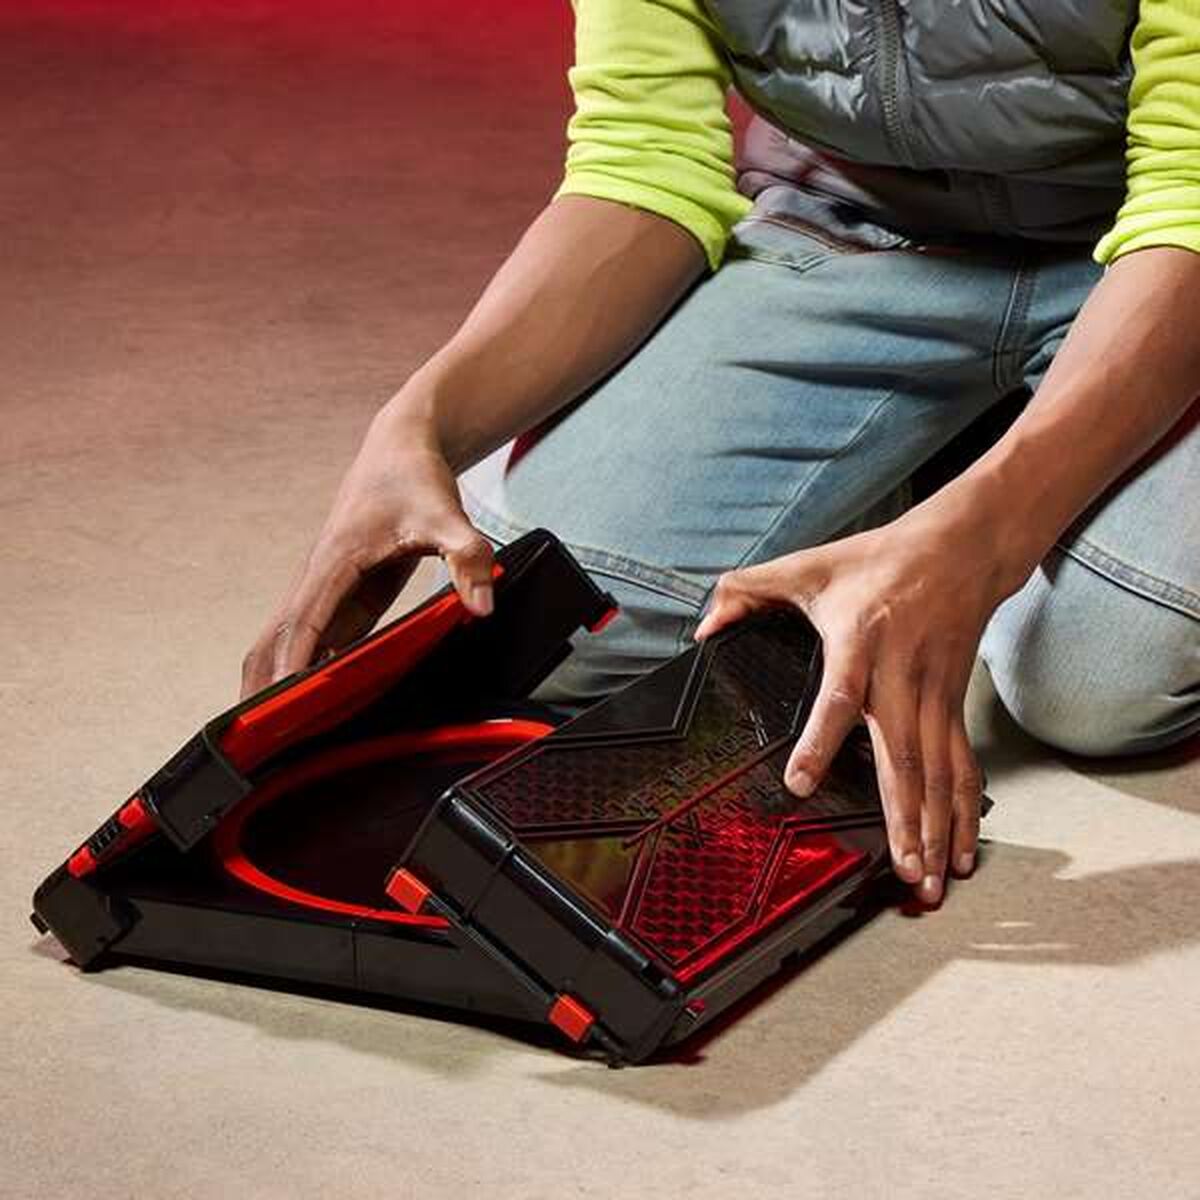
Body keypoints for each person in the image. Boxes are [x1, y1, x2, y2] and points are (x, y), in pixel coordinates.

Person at [241, 1, 1199, 908]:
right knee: (564, 622)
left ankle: (979, 477)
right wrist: (421, 422)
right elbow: (642, 157)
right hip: (853, 230)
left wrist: (985, 535)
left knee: (1092, 690)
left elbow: (1186, 194)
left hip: (1161, 254)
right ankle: (929, 471)